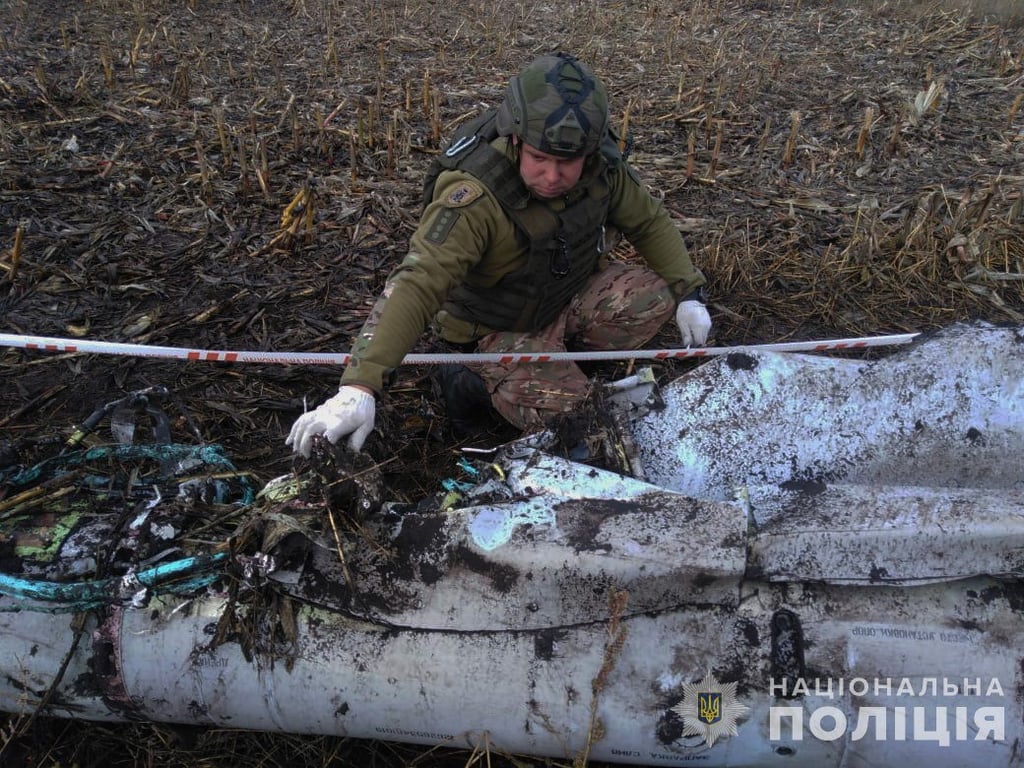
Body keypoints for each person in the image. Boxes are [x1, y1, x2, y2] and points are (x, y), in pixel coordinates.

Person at [287, 52, 711, 457]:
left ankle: (558, 356)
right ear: (515, 139)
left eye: (568, 162)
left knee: (653, 298)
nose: (552, 176)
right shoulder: (474, 197)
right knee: (578, 419)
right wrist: (360, 387)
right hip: (491, 330)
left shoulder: (603, 167)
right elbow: (417, 283)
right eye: (539, 158)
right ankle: (467, 378)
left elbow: (648, 221)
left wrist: (689, 292)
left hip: (559, 299)